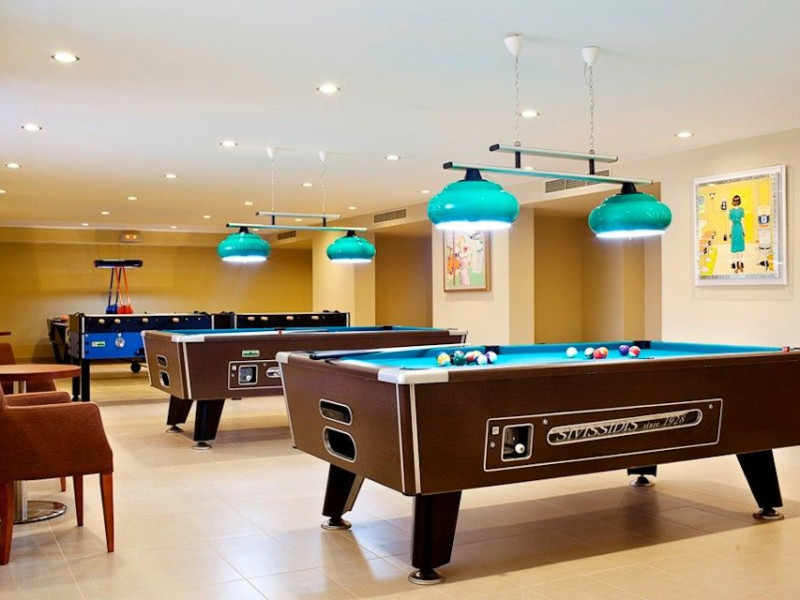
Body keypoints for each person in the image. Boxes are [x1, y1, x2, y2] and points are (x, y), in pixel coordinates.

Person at [729, 195, 745, 272]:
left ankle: (736, 267)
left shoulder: (731, 211)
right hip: (739, 228)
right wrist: (744, 231)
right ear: (739, 201)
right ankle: (739, 266)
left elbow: (730, 223)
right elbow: (743, 222)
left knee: (735, 248)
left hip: (734, 229)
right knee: (740, 249)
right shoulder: (741, 210)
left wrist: (730, 232)